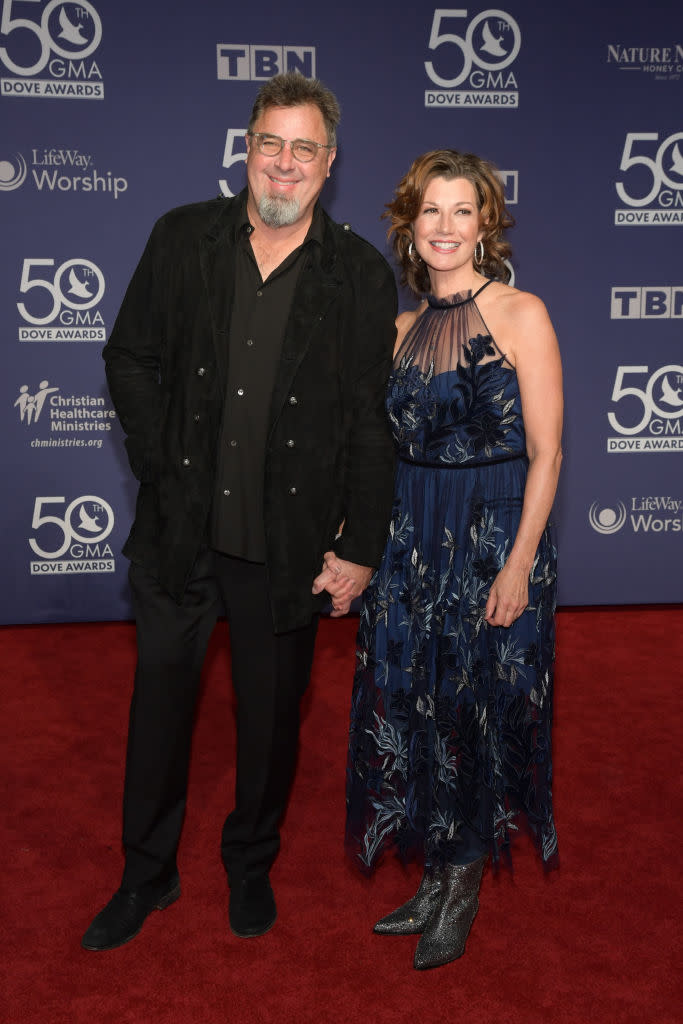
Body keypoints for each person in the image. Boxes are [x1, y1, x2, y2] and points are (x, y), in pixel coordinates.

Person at [81, 72, 397, 951]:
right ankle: (146, 876)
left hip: (287, 547)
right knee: (158, 719)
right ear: (246, 148)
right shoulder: (182, 238)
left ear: (328, 166)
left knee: (268, 727)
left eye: (304, 150)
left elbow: (372, 420)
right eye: (270, 144)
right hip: (180, 535)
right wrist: (159, 464)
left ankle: (248, 864)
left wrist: (362, 544)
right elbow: (129, 357)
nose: (283, 165)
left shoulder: (360, 277)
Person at [330, 149, 563, 970]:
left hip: (491, 532)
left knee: (474, 703)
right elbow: (372, 451)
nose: (444, 226)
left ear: (485, 223)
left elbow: (547, 452)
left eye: (461, 210)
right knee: (416, 702)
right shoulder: (394, 330)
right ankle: (433, 873)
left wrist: (518, 562)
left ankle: (461, 884)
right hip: (408, 535)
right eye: (430, 210)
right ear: (408, 222)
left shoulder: (520, 313)